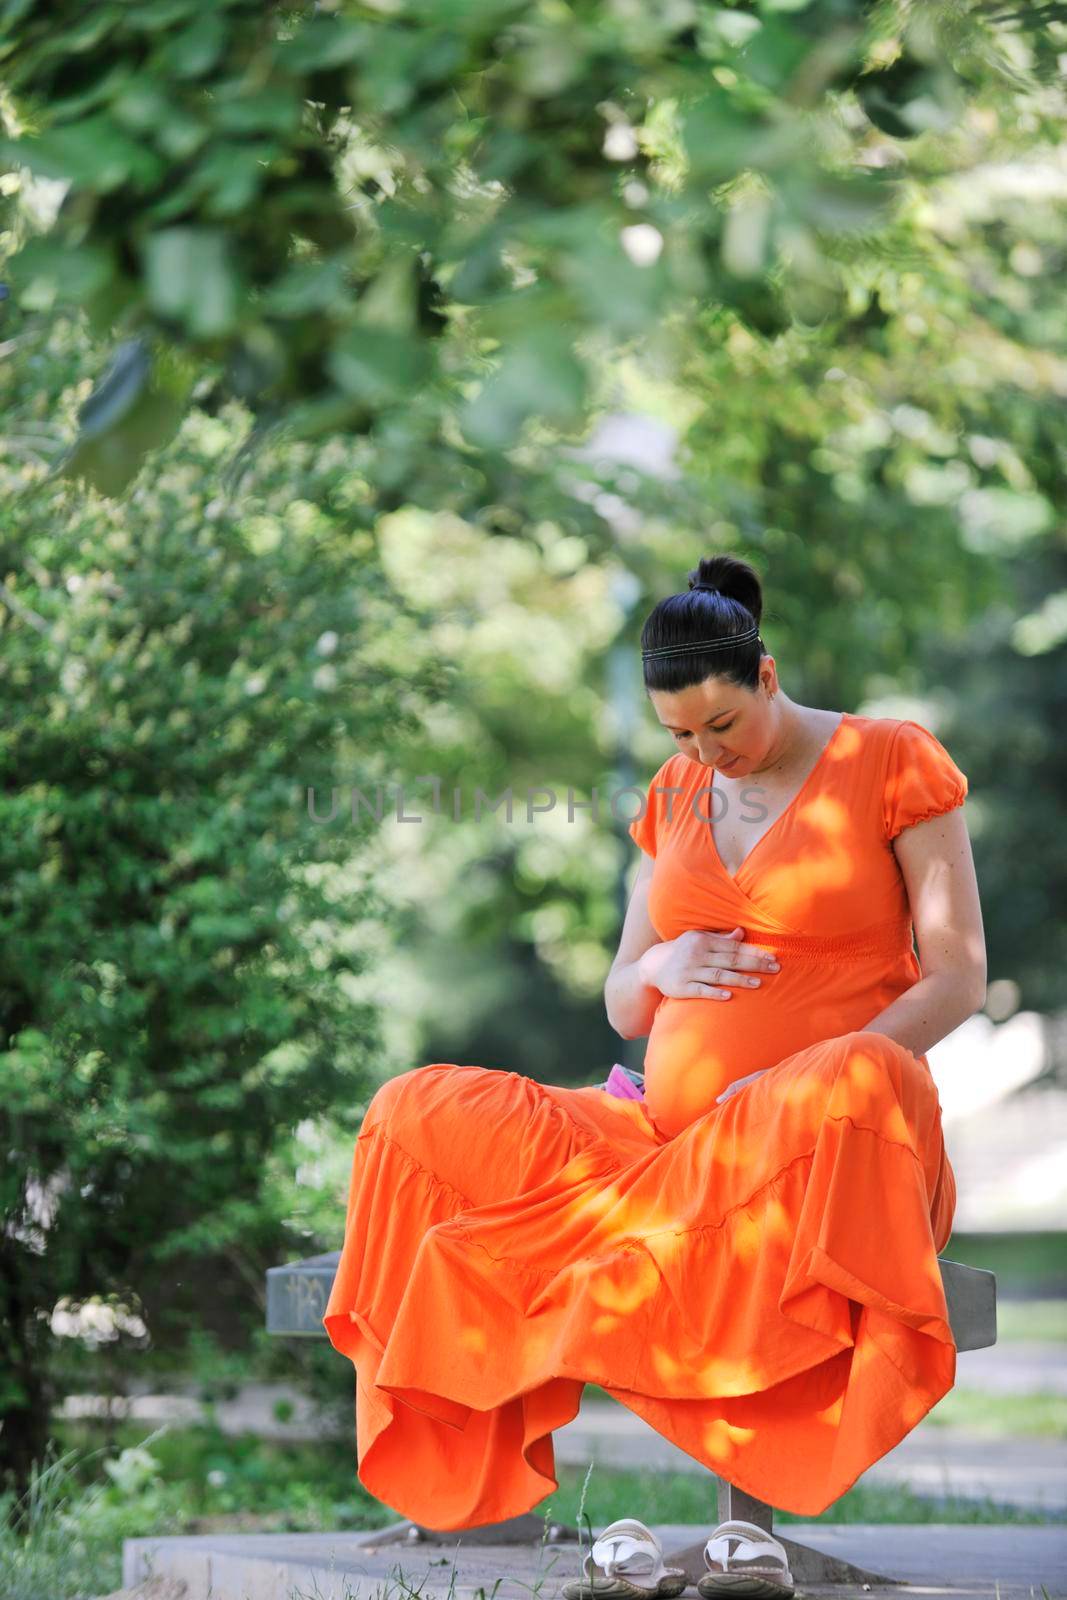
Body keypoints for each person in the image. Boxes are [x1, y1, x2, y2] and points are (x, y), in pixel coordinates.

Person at [323, 554, 986, 1576]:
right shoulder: (676, 791)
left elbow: (955, 978)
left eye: (721, 725)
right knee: (416, 1108)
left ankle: (741, 1504)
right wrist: (665, 961)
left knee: (855, 1077)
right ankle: (470, 1473)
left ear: (764, 676)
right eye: (677, 732)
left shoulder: (890, 759)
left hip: (820, 1138)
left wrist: (782, 1085)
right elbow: (624, 993)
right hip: (662, 1143)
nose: (702, 751)